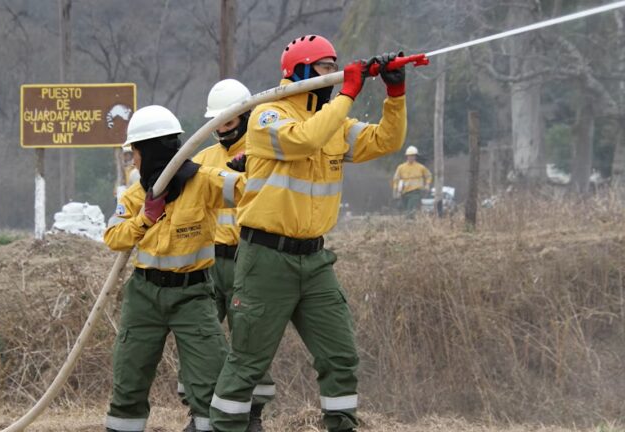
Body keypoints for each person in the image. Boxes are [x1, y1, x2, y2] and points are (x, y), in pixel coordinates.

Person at [209, 35, 408, 432]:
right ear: (299, 72)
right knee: (248, 359)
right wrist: (349, 92)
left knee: (340, 354)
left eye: (335, 64)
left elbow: (387, 140)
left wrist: (395, 92)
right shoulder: (268, 117)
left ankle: (341, 423)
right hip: (266, 259)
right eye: (323, 65)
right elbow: (305, 139)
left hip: (315, 260)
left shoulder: (336, 122)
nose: (332, 72)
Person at [103, 105, 244, 432]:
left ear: (150, 150)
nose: (133, 161)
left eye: (135, 153)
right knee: (129, 379)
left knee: (210, 381)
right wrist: (145, 218)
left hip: (192, 296)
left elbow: (245, 190)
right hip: (144, 297)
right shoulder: (136, 195)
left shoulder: (202, 182)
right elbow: (114, 237)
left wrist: (249, 168)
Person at [177, 79, 274, 432]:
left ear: (246, 116)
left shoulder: (265, 154)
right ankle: (199, 414)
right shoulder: (201, 160)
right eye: (216, 122)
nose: (221, 129)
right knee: (198, 338)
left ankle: (252, 416)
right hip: (207, 262)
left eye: (228, 122)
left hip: (250, 260)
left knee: (250, 339)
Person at [392, 145, 431, 216]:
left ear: (415, 156)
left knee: (411, 210)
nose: (411, 157)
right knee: (406, 210)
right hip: (404, 192)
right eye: (409, 156)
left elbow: (428, 176)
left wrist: (427, 185)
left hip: (416, 192)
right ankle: (410, 224)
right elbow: (396, 179)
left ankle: (409, 222)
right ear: (406, 156)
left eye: (413, 156)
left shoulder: (421, 167)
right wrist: (395, 190)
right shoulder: (401, 167)